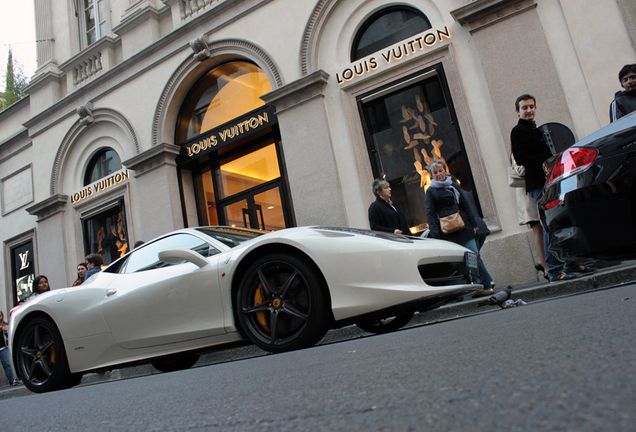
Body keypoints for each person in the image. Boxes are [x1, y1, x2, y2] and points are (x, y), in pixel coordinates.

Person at [511, 94, 596, 282]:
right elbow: (521, 158)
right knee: (552, 226)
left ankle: (569, 263)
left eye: (532, 106)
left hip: (549, 181)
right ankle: (555, 270)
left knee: (561, 222)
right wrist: (546, 162)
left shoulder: (535, 129)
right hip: (538, 183)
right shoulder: (518, 131)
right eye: (525, 107)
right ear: (518, 111)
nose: (529, 110)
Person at [425, 160, 494, 297]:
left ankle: (486, 285)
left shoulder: (453, 186)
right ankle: (465, 290)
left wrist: (473, 224)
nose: (439, 174)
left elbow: (465, 206)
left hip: (464, 227)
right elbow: (430, 214)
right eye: (435, 172)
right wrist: (436, 235)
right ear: (431, 175)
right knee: (457, 262)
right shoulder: (431, 191)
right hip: (447, 232)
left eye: (441, 170)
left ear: (445, 170)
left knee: (474, 256)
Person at [1, 310, 22, 386]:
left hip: (3, 347)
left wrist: (5, 330)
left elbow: (10, 335)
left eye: (0, 316)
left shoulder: (5, 325)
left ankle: (12, 380)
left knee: (6, 364)